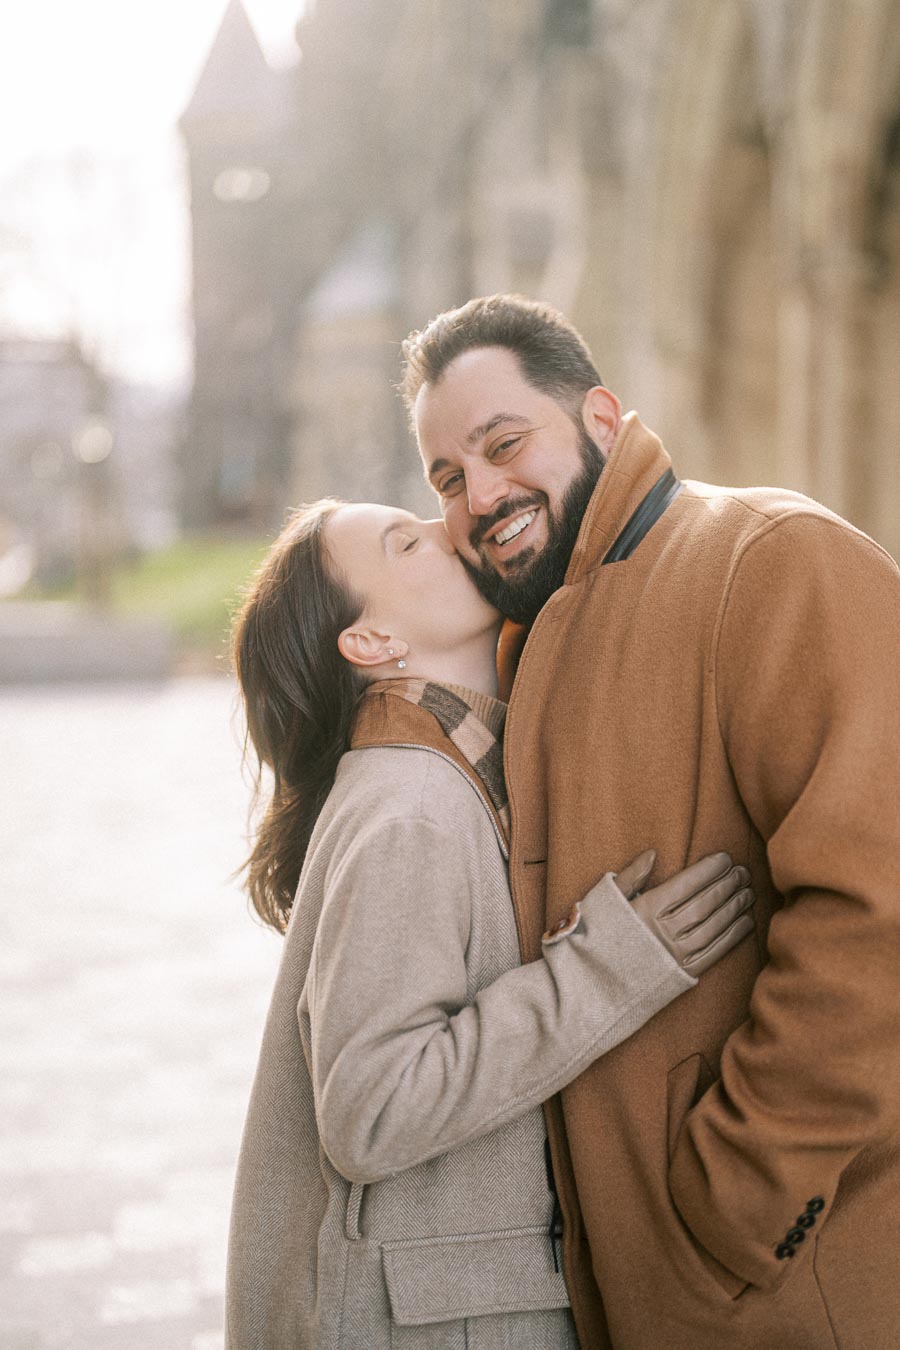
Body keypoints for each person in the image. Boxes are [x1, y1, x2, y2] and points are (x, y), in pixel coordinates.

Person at [401, 293, 900, 1350]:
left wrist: (740, 1203)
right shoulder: (527, 637)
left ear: (601, 418)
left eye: (504, 444)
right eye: (449, 477)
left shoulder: (771, 559)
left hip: (791, 1292)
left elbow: (878, 911)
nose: (481, 493)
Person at [224, 498, 754, 1349]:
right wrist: (610, 970)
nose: (448, 526)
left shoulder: (456, 768)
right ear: (372, 644)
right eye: (408, 543)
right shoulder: (412, 808)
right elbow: (374, 1109)